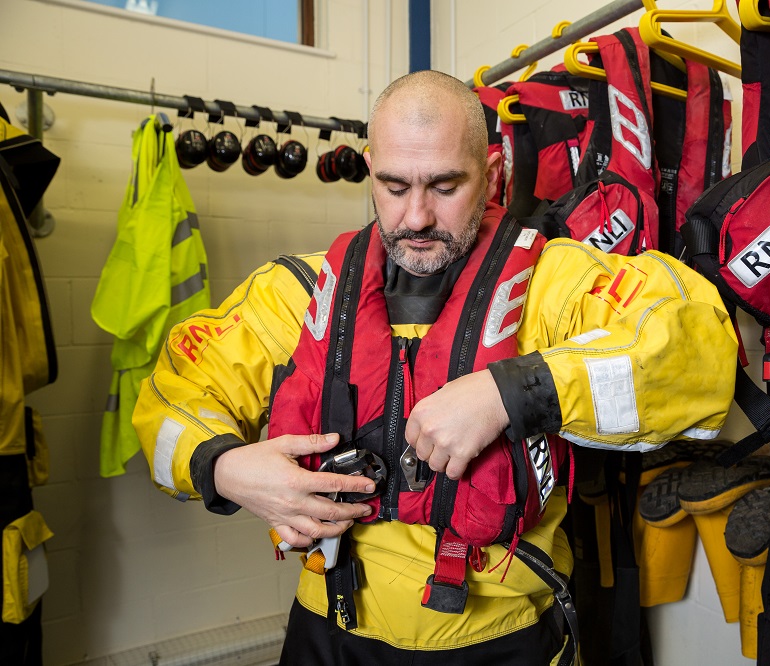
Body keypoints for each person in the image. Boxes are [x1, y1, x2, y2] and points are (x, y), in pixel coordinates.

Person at [133, 70, 738, 665]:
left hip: (503, 637)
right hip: (327, 629)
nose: (417, 217)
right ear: (371, 173)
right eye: (395, 187)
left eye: (445, 187)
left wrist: (514, 392)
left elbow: (696, 348)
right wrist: (226, 468)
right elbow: (173, 396)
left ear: (493, 174)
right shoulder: (298, 292)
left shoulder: (555, 284)